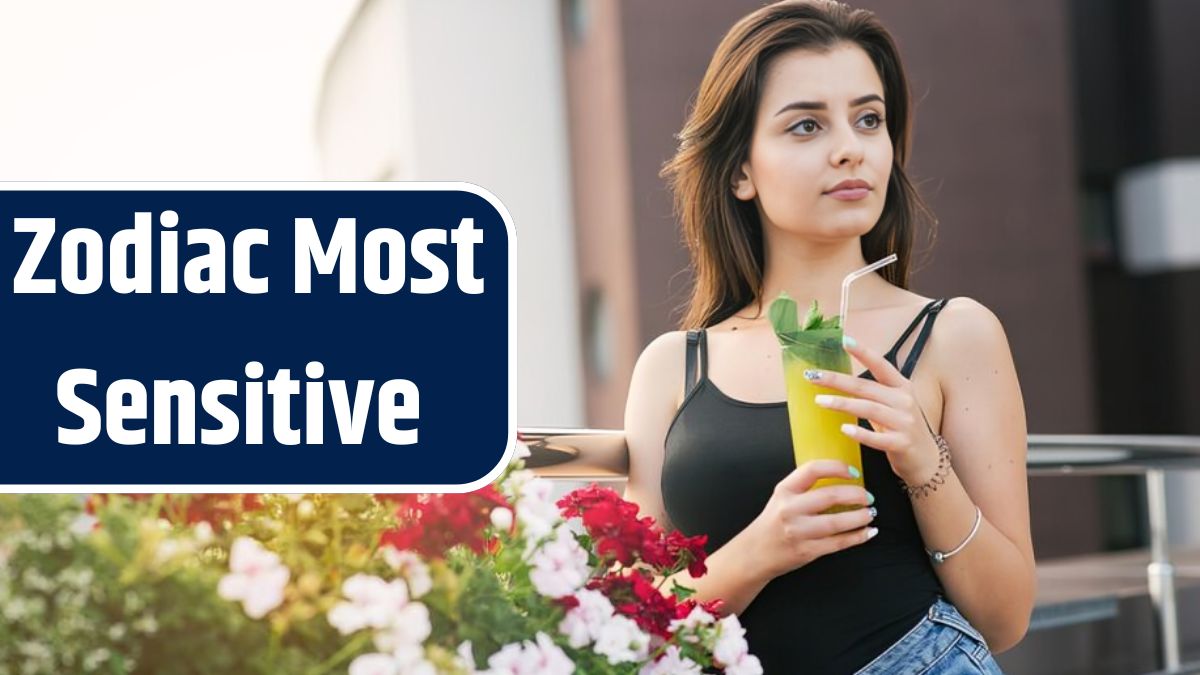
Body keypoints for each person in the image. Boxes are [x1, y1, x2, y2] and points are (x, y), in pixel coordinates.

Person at [621, 1, 1035, 672]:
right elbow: (636, 619)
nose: (851, 147)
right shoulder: (674, 366)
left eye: (868, 119)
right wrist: (763, 547)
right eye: (807, 125)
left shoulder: (953, 334)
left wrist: (923, 463)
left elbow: (1006, 616)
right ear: (739, 172)